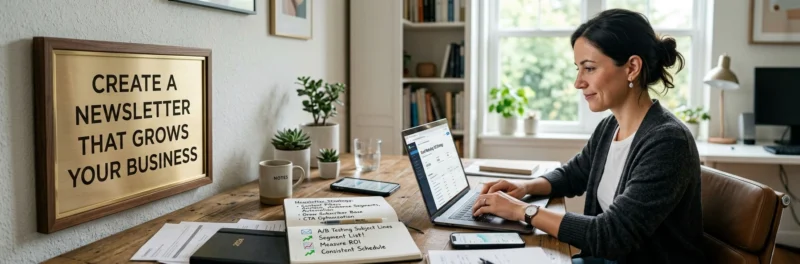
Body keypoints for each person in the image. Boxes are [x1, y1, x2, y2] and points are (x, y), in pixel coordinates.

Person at [471, 9, 705, 264]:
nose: (578, 82)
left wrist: (521, 211)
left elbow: (611, 235)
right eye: (578, 69)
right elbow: (574, 174)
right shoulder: (610, 127)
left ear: (632, 68)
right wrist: (525, 187)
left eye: (589, 68)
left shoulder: (668, 142)